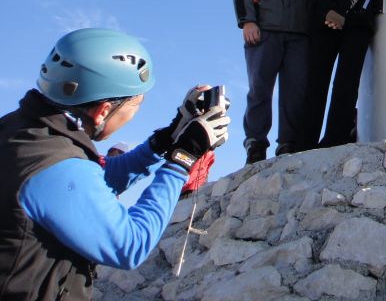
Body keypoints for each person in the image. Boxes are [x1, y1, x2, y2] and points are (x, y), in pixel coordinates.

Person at [0, 28, 230, 301]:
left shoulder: (24, 132)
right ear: (103, 111)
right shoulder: (55, 166)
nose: (135, 114)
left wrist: (166, 138)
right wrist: (182, 159)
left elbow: (95, 178)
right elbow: (130, 245)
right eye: (136, 105)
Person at [233, 0, 313, 164]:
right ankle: (256, 143)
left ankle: (288, 143)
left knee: (296, 91)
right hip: (264, 30)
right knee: (260, 89)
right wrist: (248, 20)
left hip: (300, 35)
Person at [306, 0, 376, 148]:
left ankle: (335, 139)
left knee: (346, 84)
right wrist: (330, 13)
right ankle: (306, 140)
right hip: (325, 26)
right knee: (317, 82)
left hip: (355, 26)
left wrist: (342, 12)